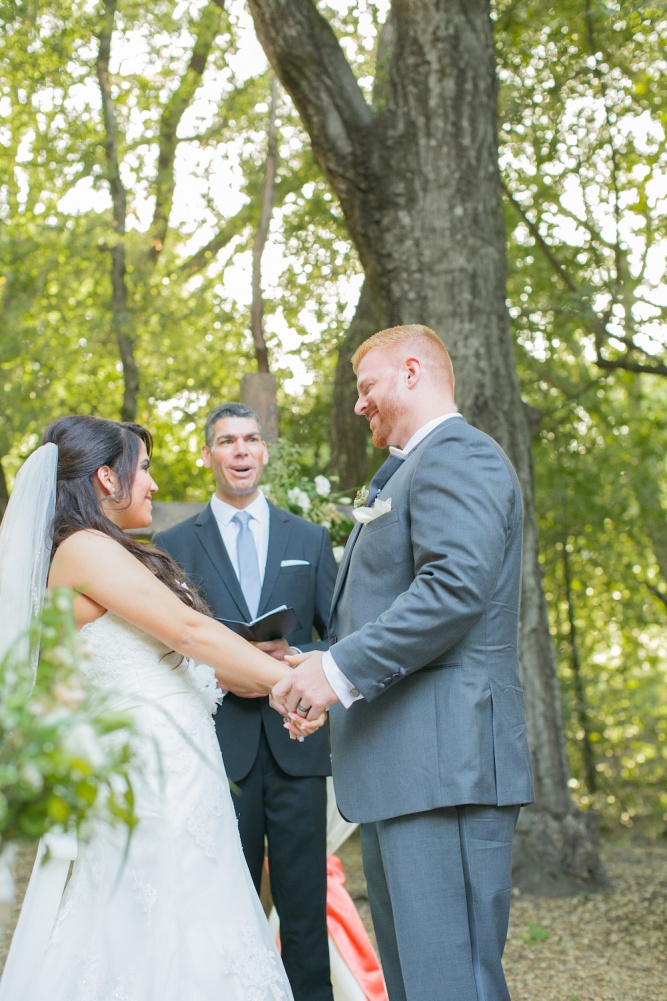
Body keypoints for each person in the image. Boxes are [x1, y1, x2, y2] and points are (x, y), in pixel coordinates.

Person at [0, 414, 324, 1001]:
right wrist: (287, 684)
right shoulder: (83, 550)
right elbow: (185, 630)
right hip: (152, 786)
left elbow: (185, 652)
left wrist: (295, 669)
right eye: (142, 470)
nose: (150, 484)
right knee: (163, 937)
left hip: (177, 774)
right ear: (105, 478)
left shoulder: (103, 550)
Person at [272, 325, 535, 1001]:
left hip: (444, 766)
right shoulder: (413, 468)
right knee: (421, 983)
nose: (359, 405)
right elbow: (390, 612)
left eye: (368, 387)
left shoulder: (457, 456)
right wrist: (317, 666)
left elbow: (454, 590)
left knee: (450, 981)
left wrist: (334, 675)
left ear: (412, 372)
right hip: (410, 766)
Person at [154, 403, 337, 1001]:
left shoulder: (308, 538)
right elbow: (162, 644)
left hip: (297, 746)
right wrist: (217, 671)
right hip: (214, 753)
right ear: (208, 454)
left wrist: (298, 657)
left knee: (305, 911)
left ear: (264, 452)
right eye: (226, 440)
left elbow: (340, 637)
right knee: (219, 909)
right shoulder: (172, 544)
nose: (240, 451)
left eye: (250, 440)